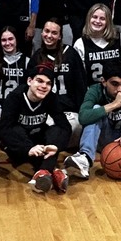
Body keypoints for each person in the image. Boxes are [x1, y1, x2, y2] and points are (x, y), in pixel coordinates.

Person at [0, 64, 71, 194]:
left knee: (54, 130)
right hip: (18, 145)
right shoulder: (14, 97)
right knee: (17, 130)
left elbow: (65, 126)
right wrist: (27, 148)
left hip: (39, 141)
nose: (44, 86)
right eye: (39, 81)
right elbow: (4, 130)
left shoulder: (51, 98)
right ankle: (53, 170)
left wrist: (57, 146)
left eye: (48, 83)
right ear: (29, 81)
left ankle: (43, 173)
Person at [28, 18, 86, 148]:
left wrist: (81, 111)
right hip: (45, 111)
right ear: (42, 33)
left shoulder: (70, 54)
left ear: (60, 36)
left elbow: (80, 86)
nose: (49, 36)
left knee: (75, 127)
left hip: (69, 111)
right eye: (46, 31)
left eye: (54, 33)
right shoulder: (36, 57)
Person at [73, 3, 121, 88]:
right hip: (93, 91)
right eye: (94, 17)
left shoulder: (119, 38)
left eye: (102, 19)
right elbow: (78, 74)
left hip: (119, 89)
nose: (97, 21)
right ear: (88, 18)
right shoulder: (80, 43)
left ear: (108, 21)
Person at [0, 26, 29, 118]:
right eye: (4, 40)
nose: (7, 43)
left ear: (17, 40)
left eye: (11, 39)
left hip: (20, 113)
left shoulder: (27, 62)